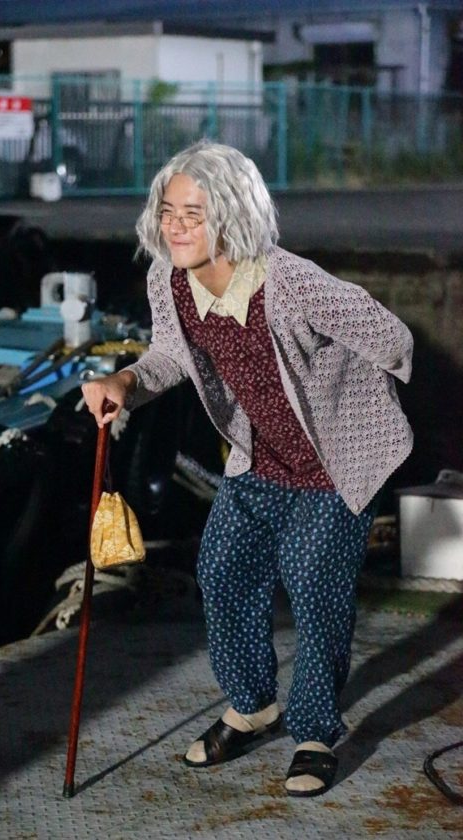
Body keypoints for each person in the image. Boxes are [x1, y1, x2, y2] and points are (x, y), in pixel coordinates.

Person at [81, 141, 413, 797]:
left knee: (313, 585)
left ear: (233, 214)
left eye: (193, 214)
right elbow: (171, 357)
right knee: (222, 569)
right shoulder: (168, 280)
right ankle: (254, 705)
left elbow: (393, 339)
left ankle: (314, 731)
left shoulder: (289, 282)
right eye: (168, 211)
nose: (175, 226)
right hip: (258, 455)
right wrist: (125, 380)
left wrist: (349, 396)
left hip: (336, 463)